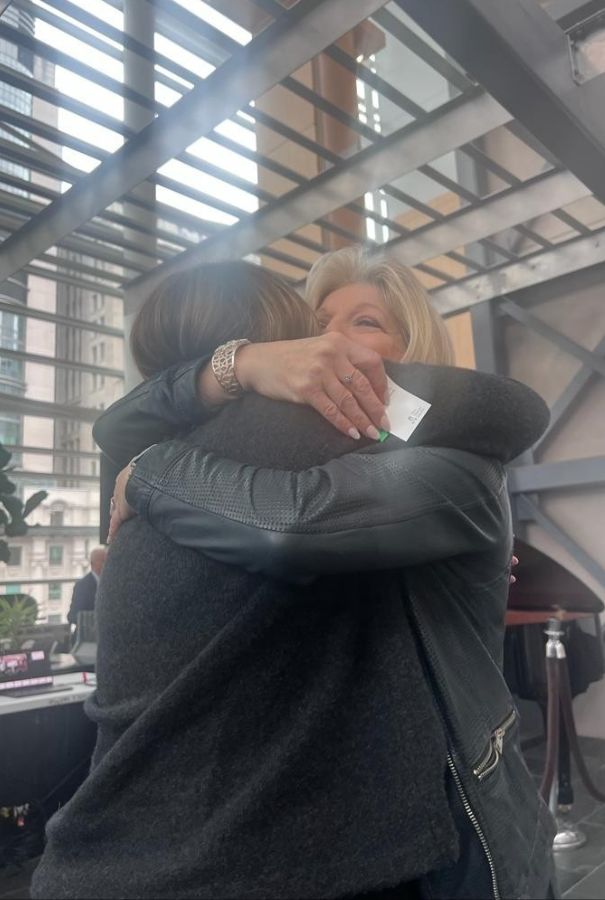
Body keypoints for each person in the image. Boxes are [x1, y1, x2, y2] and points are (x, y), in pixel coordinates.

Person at [33, 251, 554, 900]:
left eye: (363, 322)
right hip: (354, 810)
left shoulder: (451, 467)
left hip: (449, 812)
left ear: (413, 348)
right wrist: (243, 364)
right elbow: (116, 427)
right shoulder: (291, 449)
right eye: (316, 326)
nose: (328, 341)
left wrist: (154, 473)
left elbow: (290, 526)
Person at [67, 546, 106, 628]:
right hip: (89, 635)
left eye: (107, 560)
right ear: (92, 564)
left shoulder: (112, 583)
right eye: (102, 561)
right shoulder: (82, 586)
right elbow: (72, 616)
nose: (106, 564)